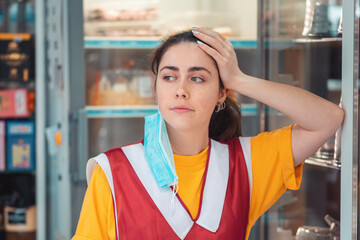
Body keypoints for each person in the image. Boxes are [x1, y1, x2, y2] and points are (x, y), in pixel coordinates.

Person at [72, 28, 344, 240]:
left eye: (197, 78)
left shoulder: (246, 164)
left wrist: (239, 79)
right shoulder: (113, 171)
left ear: (221, 93)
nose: (181, 89)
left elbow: (328, 119)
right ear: (155, 90)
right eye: (169, 77)